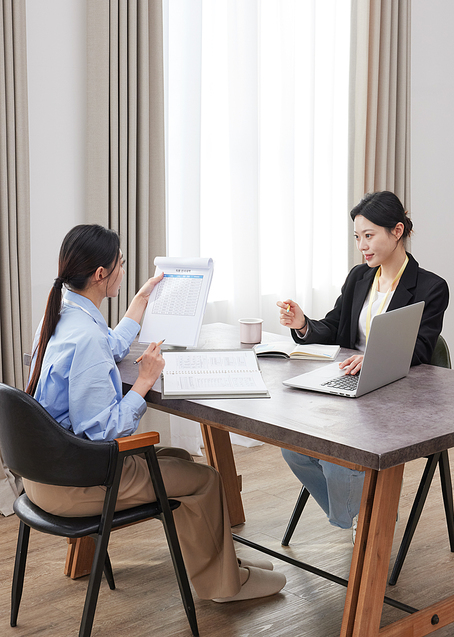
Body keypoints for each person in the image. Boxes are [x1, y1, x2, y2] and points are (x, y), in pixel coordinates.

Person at [25, 224, 286, 602]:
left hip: (47, 473)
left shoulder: (62, 315)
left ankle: (222, 564)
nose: (124, 272)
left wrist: (138, 305)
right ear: (101, 275)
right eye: (120, 265)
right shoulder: (87, 338)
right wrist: (145, 380)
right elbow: (105, 433)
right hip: (77, 483)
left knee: (179, 459)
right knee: (205, 479)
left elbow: (106, 348)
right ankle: (226, 585)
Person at [276, 191, 449, 534]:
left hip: (395, 392)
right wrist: (304, 324)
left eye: (369, 236)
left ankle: (367, 526)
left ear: (397, 231)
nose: (362, 246)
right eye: (358, 237)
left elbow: (420, 349)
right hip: (348, 384)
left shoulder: (431, 287)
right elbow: (335, 326)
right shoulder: (359, 277)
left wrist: (371, 359)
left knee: (340, 456)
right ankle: (365, 517)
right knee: (294, 448)